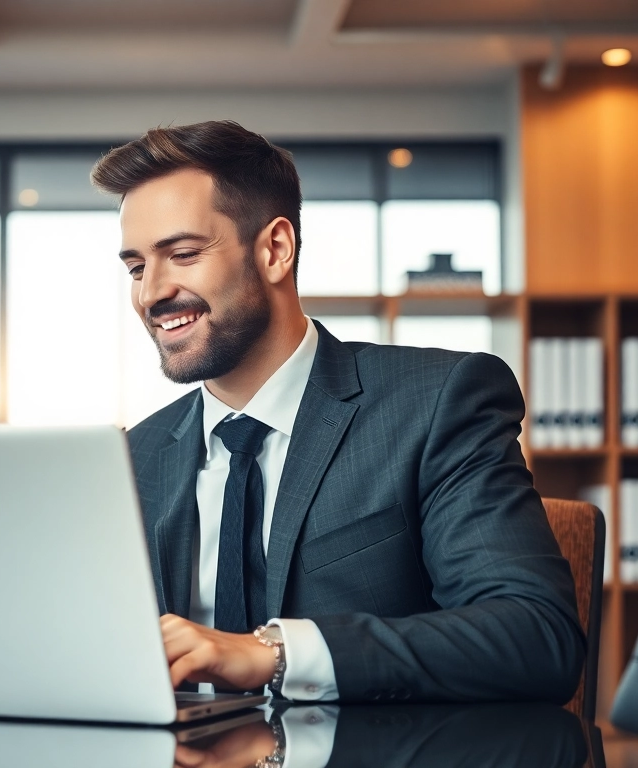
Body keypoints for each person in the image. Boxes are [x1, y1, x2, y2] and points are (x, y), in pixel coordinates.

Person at [91, 120, 584, 704]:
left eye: (183, 254)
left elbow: (535, 636)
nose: (151, 293)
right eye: (137, 267)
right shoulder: (132, 459)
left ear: (275, 249)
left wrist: (276, 654)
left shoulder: (437, 403)